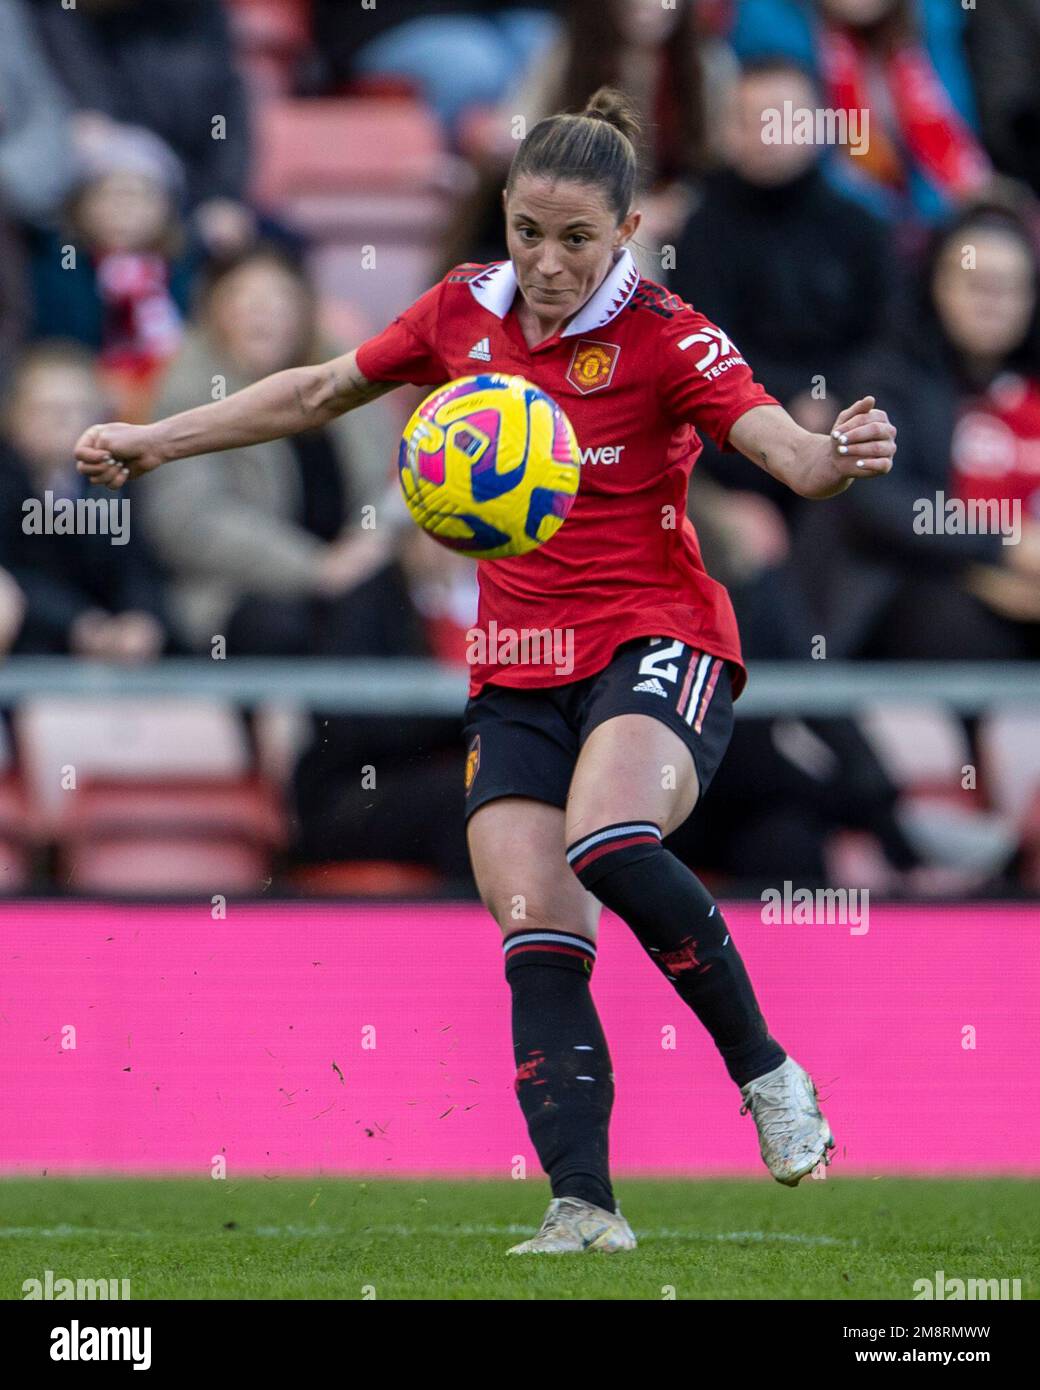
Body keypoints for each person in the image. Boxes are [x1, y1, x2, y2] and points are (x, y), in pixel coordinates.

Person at [74, 88, 897, 1255]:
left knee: (608, 842)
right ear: (501, 216)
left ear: (623, 234)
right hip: (513, 664)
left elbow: (782, 452)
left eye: (576, 240)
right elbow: (317, 389)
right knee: (536, 931)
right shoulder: (462, 311)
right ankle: (582, 1208)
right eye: (527, 231)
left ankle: (763, 1070)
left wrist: (834, 456)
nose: (547, 262)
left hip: (657, 640)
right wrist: (156, 441)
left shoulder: (671, 336)